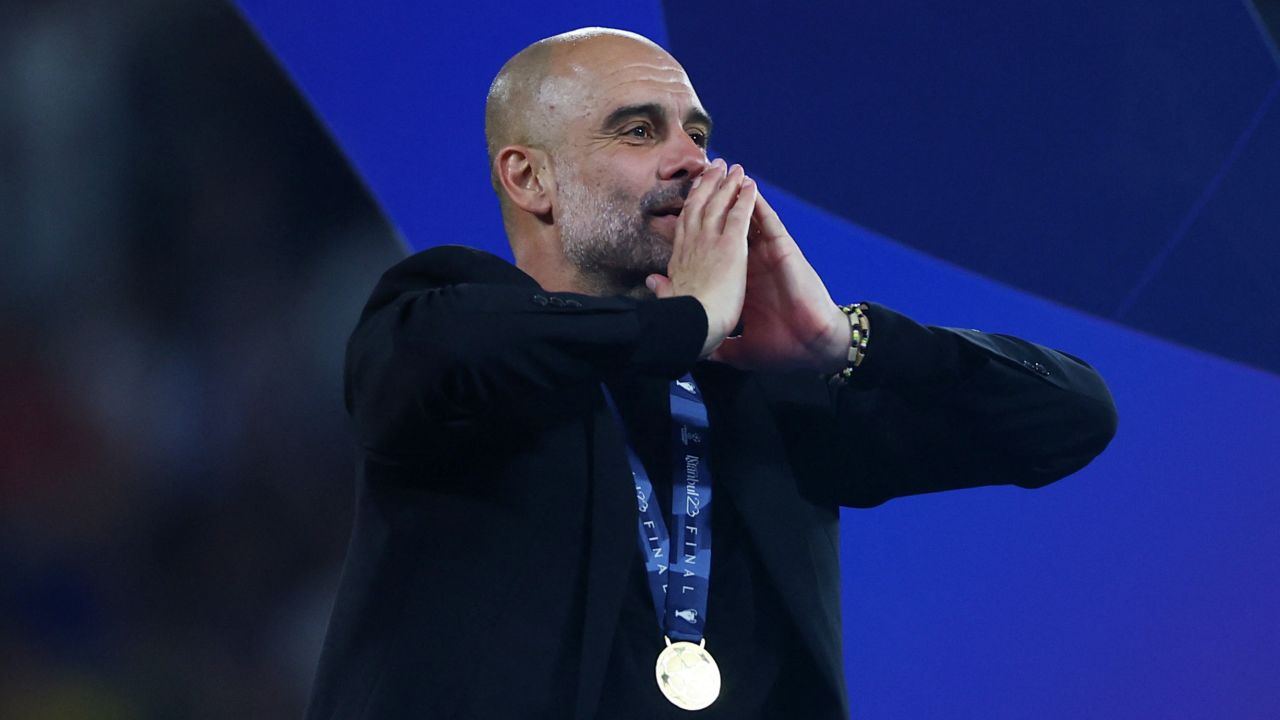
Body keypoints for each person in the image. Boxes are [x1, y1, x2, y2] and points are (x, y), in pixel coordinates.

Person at [305, 27, 1117, 720]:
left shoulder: (759, 388)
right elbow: (454, 351)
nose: (692, 161)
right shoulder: (444, 329)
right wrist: (684, 319)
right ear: (529, 178)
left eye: (697, 132)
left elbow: (1070, 419)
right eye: (637, 131)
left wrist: (842, 342)